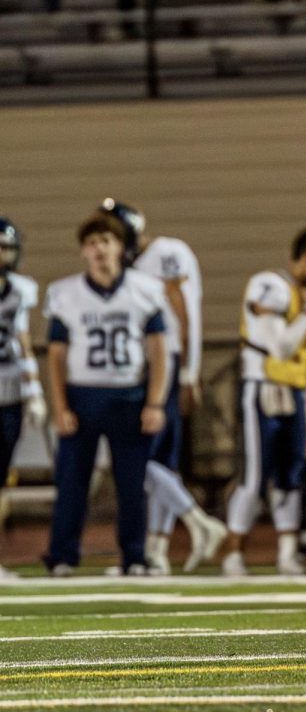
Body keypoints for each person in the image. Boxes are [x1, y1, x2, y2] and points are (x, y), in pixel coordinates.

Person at [98, 199, 226, 576]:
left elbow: (185, 311)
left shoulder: (167, 252)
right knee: (153, 461)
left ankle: (186, 528)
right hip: (139, 365)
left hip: (160, 363)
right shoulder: (133, 264)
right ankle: (159, 547)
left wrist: (189, 371)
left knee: (142, 457)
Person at [43, 213, 168, 577]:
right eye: (93, 242)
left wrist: (155, 401)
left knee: (131, 483)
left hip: (129, 394)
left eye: (106, 241)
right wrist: (61, 405)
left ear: (121, 247)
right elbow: (56, 355)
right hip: (83, 395)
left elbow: (158, 350)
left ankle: (134, 556)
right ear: (83, 250)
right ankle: (62, 555)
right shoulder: (65, 293)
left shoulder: (144, 289)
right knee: (72, 481)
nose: (99, 249)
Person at [222, 227, 306, 577]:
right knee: (254, 475)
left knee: (291, 473)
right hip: (262, 385)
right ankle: (233, 553)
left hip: (295, 387)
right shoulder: (269, 285)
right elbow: (281, 346)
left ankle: (287, 553)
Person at [0, 219, 45, 578]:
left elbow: (23, 344)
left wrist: (34, 394)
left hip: (9, 391)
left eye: (6, 247)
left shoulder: (21, 290)